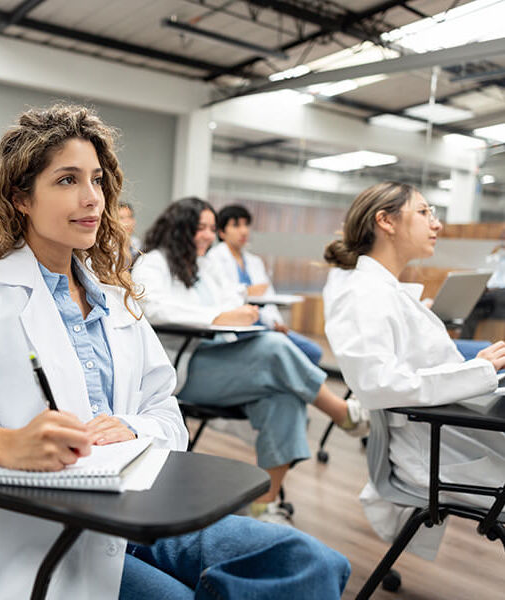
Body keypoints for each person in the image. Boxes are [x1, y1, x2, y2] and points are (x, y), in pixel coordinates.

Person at [0, 105, 351, 600]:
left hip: (141, 511)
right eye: (67, 180)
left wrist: (134, 428)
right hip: (49, 538)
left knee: (312, 563)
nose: (92, 199)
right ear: (21, 197)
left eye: (97, 180)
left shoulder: (114, 299)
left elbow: (167, 414)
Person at [132, 197, 369, 524]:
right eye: (200, 227)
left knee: (283, 397)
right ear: (177, 227)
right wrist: (220, 314)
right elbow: (154, 309)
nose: (207, 235)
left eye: (211, 229)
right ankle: (341, 412)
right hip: (187, 369)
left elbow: (232, 296)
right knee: (273, 348)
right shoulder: (153, 263)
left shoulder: (202, 265)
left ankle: (264, 505)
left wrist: (242, 311)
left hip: (221, 360)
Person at [323, 181, 505, 559]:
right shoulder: (363, 295)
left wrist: (481, 370)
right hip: (432, 451)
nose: (435, 224)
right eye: (424, 213)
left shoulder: (385, 291)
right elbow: (376, 384)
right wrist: (479, 371)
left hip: (450, 433)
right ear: (385, 221)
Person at [209, 204, 323, 365]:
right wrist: (247, 291)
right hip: (239, 325)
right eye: (236, 225)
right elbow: (223, 296)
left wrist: (277, 322)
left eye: (246, 225)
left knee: (312, 352)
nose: (244, 231)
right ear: (221, 232)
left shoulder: (254, 262)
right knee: (279, 353)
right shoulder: (213, 259)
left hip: (265, 323)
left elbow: (268, 295)